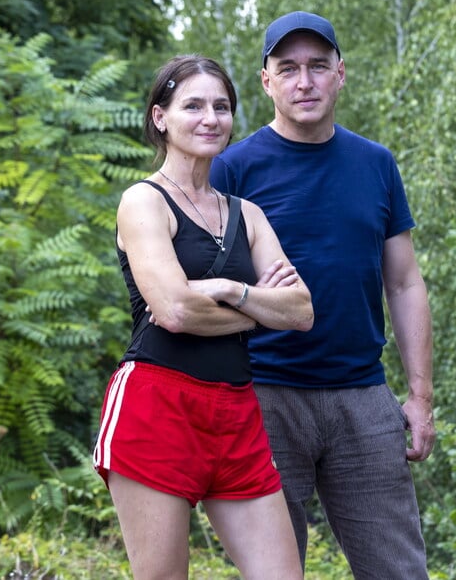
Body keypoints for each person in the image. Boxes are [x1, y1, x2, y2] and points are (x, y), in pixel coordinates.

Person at [210, 11, 436, 579]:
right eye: (288, 69)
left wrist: (420, 397)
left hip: (362, 397)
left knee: (399, 571)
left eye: (317, 67)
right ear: (267, 83)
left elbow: (404, 282)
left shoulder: (376, 164)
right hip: (263, 395)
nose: (303, 82)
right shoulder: (231, 168)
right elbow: (204, 289)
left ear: (341, 74)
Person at [93, 55, 312, 580]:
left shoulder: (247, 214)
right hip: (155, 403)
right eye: (192, 105)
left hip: (236, 411)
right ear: (160, 117)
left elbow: (302, 311)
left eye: (221, 106)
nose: (210, 118)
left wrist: (227, 288)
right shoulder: (143, 201)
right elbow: (172, 310)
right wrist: (258, 307)